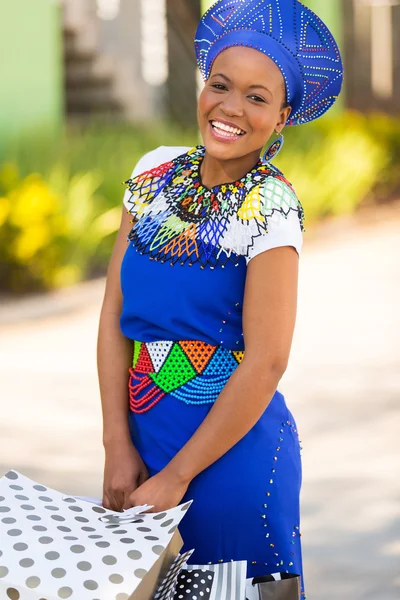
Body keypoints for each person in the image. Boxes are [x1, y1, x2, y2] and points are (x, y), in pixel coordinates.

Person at [97, 0, 343, 597]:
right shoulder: (152, 173)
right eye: (221, 85)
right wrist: (116, 445)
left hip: (231, 462)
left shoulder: (272, 208)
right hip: (142, 443)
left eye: (257, 98)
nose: (231, 107)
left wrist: (179, 475)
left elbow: (267, 362)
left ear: (283, 116)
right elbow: (113, 317)